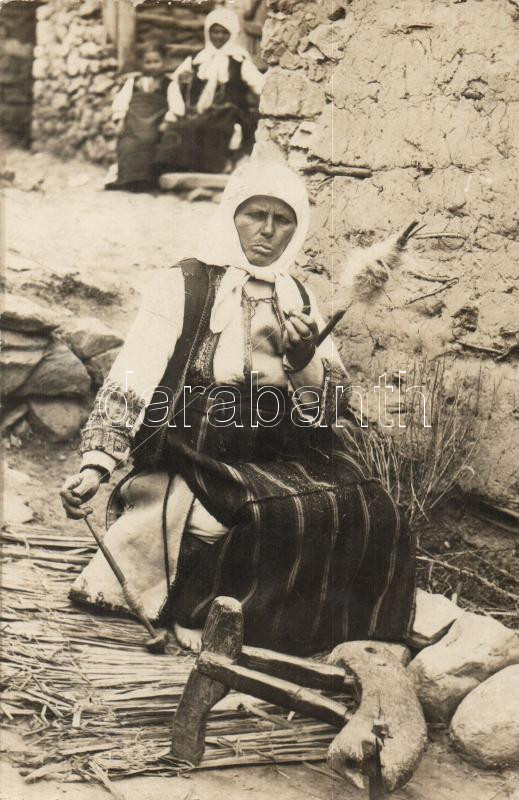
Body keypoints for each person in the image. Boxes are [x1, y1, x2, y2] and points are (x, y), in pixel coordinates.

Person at [61, 159, 416, 657]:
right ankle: (208, 616)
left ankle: (343, 630)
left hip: (279, 447)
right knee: (273, 514)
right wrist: (95, 466)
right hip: (200, 446)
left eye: (283, 219)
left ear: (297, 228)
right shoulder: (185, 284)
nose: (267, 231)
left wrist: (303, 359)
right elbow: (132, 375)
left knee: (374, 505)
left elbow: (329, 405)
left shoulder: (296, 293)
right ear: (232, 213)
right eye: (255, 214)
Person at [155, 9, 265, 176]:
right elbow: (175, 84)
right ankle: (176, 167)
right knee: (180, 127)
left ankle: (211, 168)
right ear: (208, 32)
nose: (219, 36)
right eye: (215, 31)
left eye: (224, 32)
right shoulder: (197, 59)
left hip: (229, 113)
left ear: (232, 34)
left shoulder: (239, 61)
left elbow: (260, 85)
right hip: (197, 112)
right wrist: (179, 106)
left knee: (212, 127)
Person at [106, 40, 174, 192]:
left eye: (156, 61)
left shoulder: (170, 84)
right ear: (141, 64)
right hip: (134, 124)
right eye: (148, 62)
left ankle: (147, 180)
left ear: (164, 62)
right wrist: (120, 120)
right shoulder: (133, 82)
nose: (152, 66)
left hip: (157, 124)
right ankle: (128, 178)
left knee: (152, 142)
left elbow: (175, 106)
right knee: (128, 143)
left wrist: (167, 121)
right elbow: (122, 102)